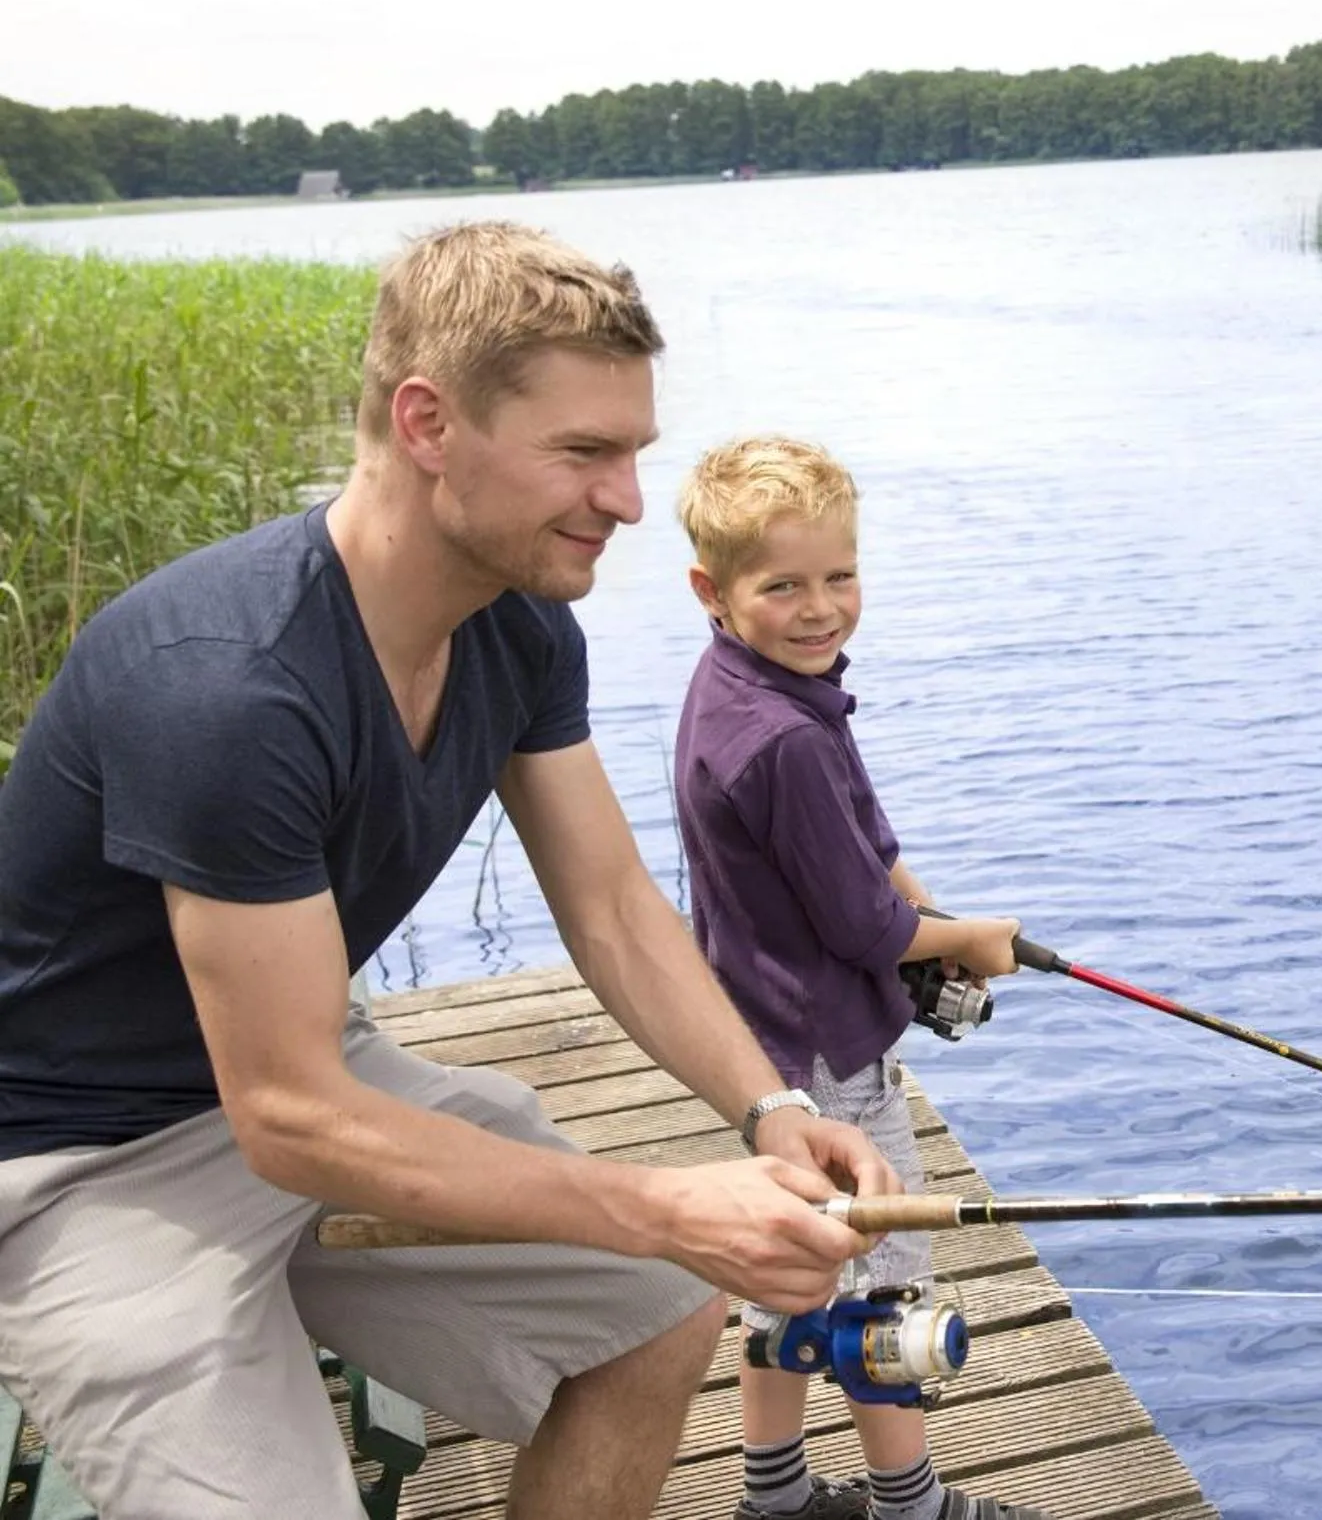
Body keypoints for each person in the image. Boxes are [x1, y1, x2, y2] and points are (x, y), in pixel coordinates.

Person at [0, 222, 901, 1520]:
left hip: (309, 1074)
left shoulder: (519, 624)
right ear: (428, 422)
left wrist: (765, 1107)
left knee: (656, 1313)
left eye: (633, 452)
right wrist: (662, 1203)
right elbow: (288, 1114)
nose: (627, 500)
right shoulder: (226, 689)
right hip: (79, 1158)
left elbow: (611, 906)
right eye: (583, 452)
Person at [672, 437, 1049, 1520]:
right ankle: (909, 1504)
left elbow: (868, 855)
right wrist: (972, 936)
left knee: (789, 1269)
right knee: (888, 1281)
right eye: (782, 585)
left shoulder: (749, 686)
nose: (820, 607)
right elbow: (862, 923)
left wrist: (931, 919)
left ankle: (775, 1496)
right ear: (712, 589)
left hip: (769, 1040)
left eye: (839, 575)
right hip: (825, 1053)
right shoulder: (783, 737)